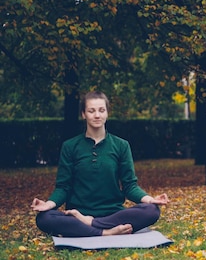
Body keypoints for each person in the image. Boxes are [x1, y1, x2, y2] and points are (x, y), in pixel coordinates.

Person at [31, 91, 169, 237]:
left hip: (113, 214)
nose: (97, 115)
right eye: (91, 111)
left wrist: (150, 199)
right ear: (83, 114)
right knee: (44, 218)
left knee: (152, 210)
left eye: (101, 110)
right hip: (77, 214)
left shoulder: (121, 145)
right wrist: (48, 204)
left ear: (107, 113)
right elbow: (63, 187)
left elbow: (130, 186)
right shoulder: (70, 146)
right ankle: (105, 232)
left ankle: (92, 226)